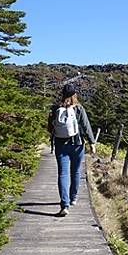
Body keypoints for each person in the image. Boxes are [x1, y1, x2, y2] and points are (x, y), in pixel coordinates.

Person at [47, 83, 96, 217]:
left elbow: (50, 129)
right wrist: (92, 143)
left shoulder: (56, 108)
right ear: (75, 95)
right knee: (75, 172)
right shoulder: (79, 109)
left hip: (61, 145)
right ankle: (73, 197)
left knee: (63, 174)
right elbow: (86, 126)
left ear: (62, 95)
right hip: (77, 145)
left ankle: (64, 204)